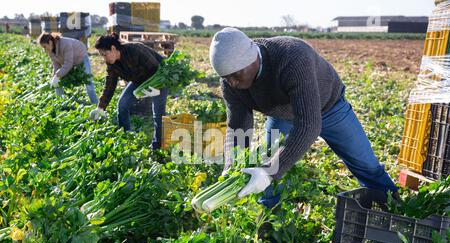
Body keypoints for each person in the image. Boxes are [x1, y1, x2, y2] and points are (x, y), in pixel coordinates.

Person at [209, 27, 399, 210]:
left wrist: (269, 172)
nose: (232, 82)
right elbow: (238, 127)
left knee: (366, 165)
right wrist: (231, 165)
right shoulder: (231, 83)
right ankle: (270, 225)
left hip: (330, 108)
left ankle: (395, 210)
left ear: (251, 59)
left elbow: (308, 124)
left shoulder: (292, 56)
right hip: (282, 115)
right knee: (269, 165)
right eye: (226, 77)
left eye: (235, 75)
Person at [92, 33, 168, 150]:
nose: (104, 58)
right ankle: (126, 138)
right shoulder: (112, 64)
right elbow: (110, 85)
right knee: (122, 104)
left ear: (113, 48)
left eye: (105, 54)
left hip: (160, 79)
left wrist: (156, 88)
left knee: (158, 113)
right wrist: (100, 107)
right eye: (102, 55)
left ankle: (157, 147)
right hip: (138, 81)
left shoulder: (135, 50)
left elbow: (157, 68)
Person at [38, 32, 98, 105]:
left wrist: (58, 75)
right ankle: (60, 102)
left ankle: (96, 104)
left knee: (88, 81)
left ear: (50, 42)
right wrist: (54, 76)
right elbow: (56, 65)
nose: (44, 49)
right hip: (69, 61)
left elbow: (68, 63)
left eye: (44, 46)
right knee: (58, 82)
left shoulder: (65, 44)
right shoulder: (50, 51)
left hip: (81, 57)